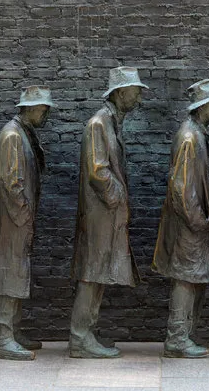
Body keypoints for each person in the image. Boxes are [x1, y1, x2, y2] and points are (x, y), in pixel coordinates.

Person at [70, 67, 148, 358]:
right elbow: (98, 171)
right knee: (92, 273)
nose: (139, 97)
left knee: (99, 274)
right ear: (120, 92)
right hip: (100, 215)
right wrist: (118, 199)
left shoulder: (110, 123)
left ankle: (86, 332)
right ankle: (79, 337)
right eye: (135, 90)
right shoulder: (98, 124)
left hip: (107, 214)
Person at [0, 85, 54, 361]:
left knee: (17, 273)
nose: (46, 115)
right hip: (12, 220)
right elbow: (12, 184)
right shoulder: (12, 136)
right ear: (31, 109)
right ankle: (2, 336)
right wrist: (24, 216)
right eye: (43, 109)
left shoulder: (23, 133)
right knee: (10, 274)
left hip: (18, 219)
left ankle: (13, 330)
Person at [152, 79, 209, 358]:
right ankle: (177, 339)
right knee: (185, 278)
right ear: (204, 106)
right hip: (189, 225)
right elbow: (181, 187)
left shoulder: (197, 134)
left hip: (194, 223)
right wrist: (197, 221)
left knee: (194, 278)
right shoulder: (189, 137)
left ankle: (187, 333)